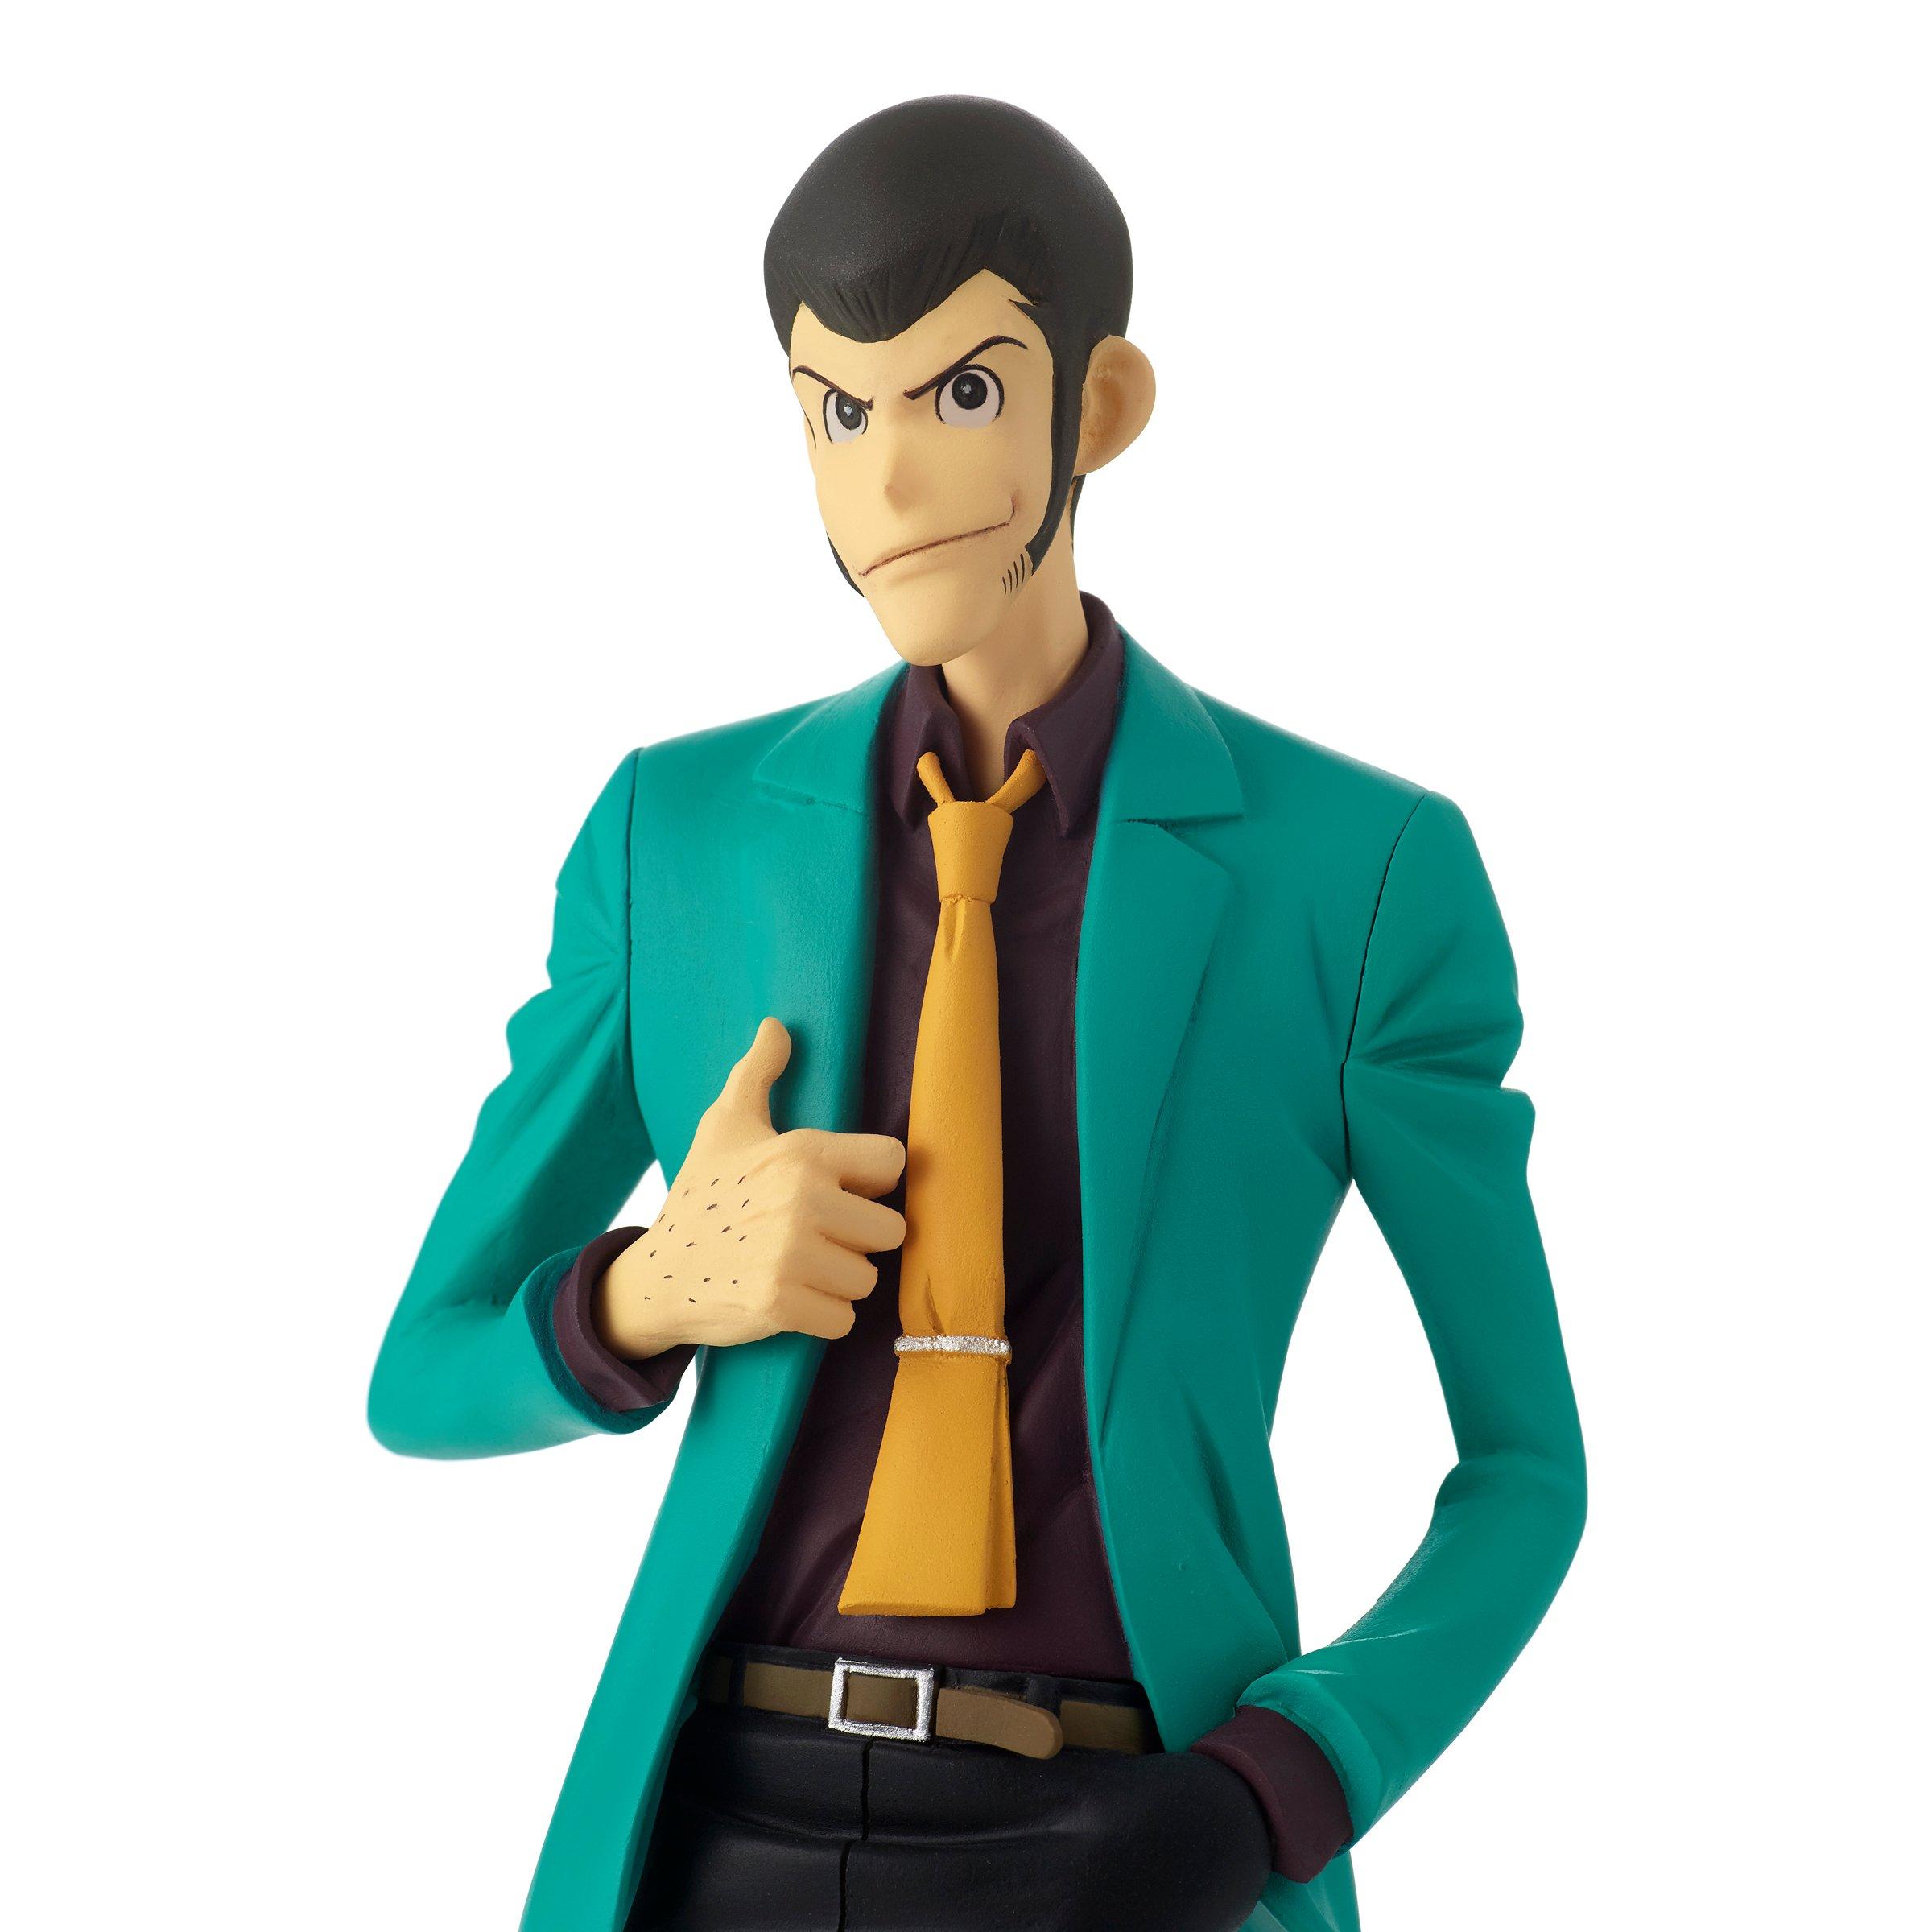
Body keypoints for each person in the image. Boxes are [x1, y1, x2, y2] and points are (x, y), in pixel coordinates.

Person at [369, 95, 1586, 1932]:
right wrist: (652, 1288)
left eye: (960, 394)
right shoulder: (671, 840)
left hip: (1122, 1841)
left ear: (1101, 407)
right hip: (715, 1834)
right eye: (837, 413)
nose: (891, 485)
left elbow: (1525, 1472)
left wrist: (1279, 1785)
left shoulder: (1357, 876)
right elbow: (421, 1374)